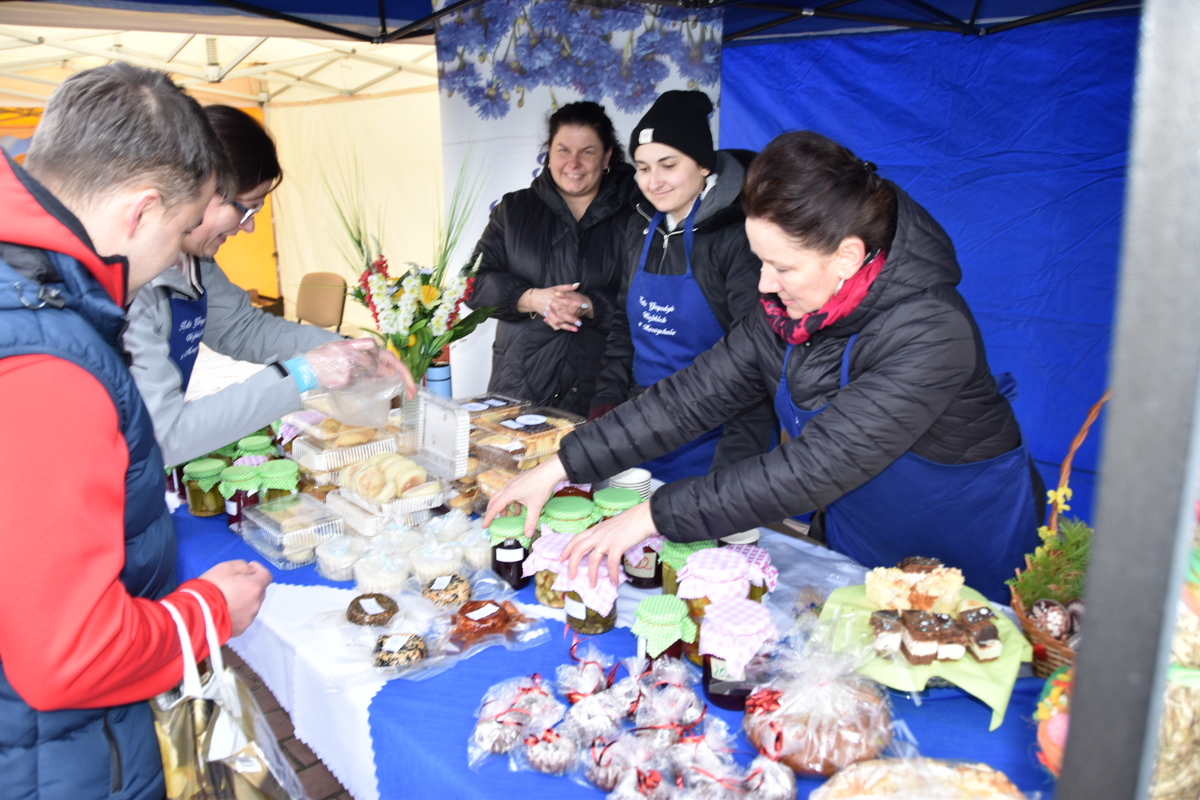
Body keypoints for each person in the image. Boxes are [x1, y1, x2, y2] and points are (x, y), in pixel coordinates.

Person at [486, 131, 1042, 604]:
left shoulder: (930, 332)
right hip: (860, 538)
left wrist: (652, 515)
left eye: (782, 266)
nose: (763, 284)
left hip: (965, 551)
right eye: (759, 261)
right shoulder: (784, 311)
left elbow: (812, 468)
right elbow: (688, 399)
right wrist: (562, 464)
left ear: (847, 256)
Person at [0, 64, 273, 799]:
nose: (182, 250)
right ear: (139, 211)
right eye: (186, 228)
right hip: (49, 760)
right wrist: (209, 612)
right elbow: (70, 656)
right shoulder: (46, 358)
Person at [124, 105, 413, 468]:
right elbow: (166, 436)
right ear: (201, 189)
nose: (247, 228)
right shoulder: (134, 282)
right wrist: (303, 374)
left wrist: (346, 352)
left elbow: (240, 328)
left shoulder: (193, 259)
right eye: (246, 209)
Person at [589, 90, 776, 482]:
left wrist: (729, 476)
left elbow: (755, 362)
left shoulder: (737, 238)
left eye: (667, 165)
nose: (653, 181)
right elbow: (625, 327)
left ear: (703, 165)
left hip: (712, 439)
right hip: (641, 430)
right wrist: (607, 401)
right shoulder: (639, 228)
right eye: (642, 168)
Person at [466, 101, 637, 416]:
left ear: (607, 156)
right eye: (563, 150)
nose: (573, 163)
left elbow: (647, 301)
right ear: (548, 151)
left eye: (587, 151)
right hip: (518, 385)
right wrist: (532, 299)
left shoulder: (636, 215)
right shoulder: (514, 209)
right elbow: (472, 284)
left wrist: (590, 306)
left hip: (603, 390)